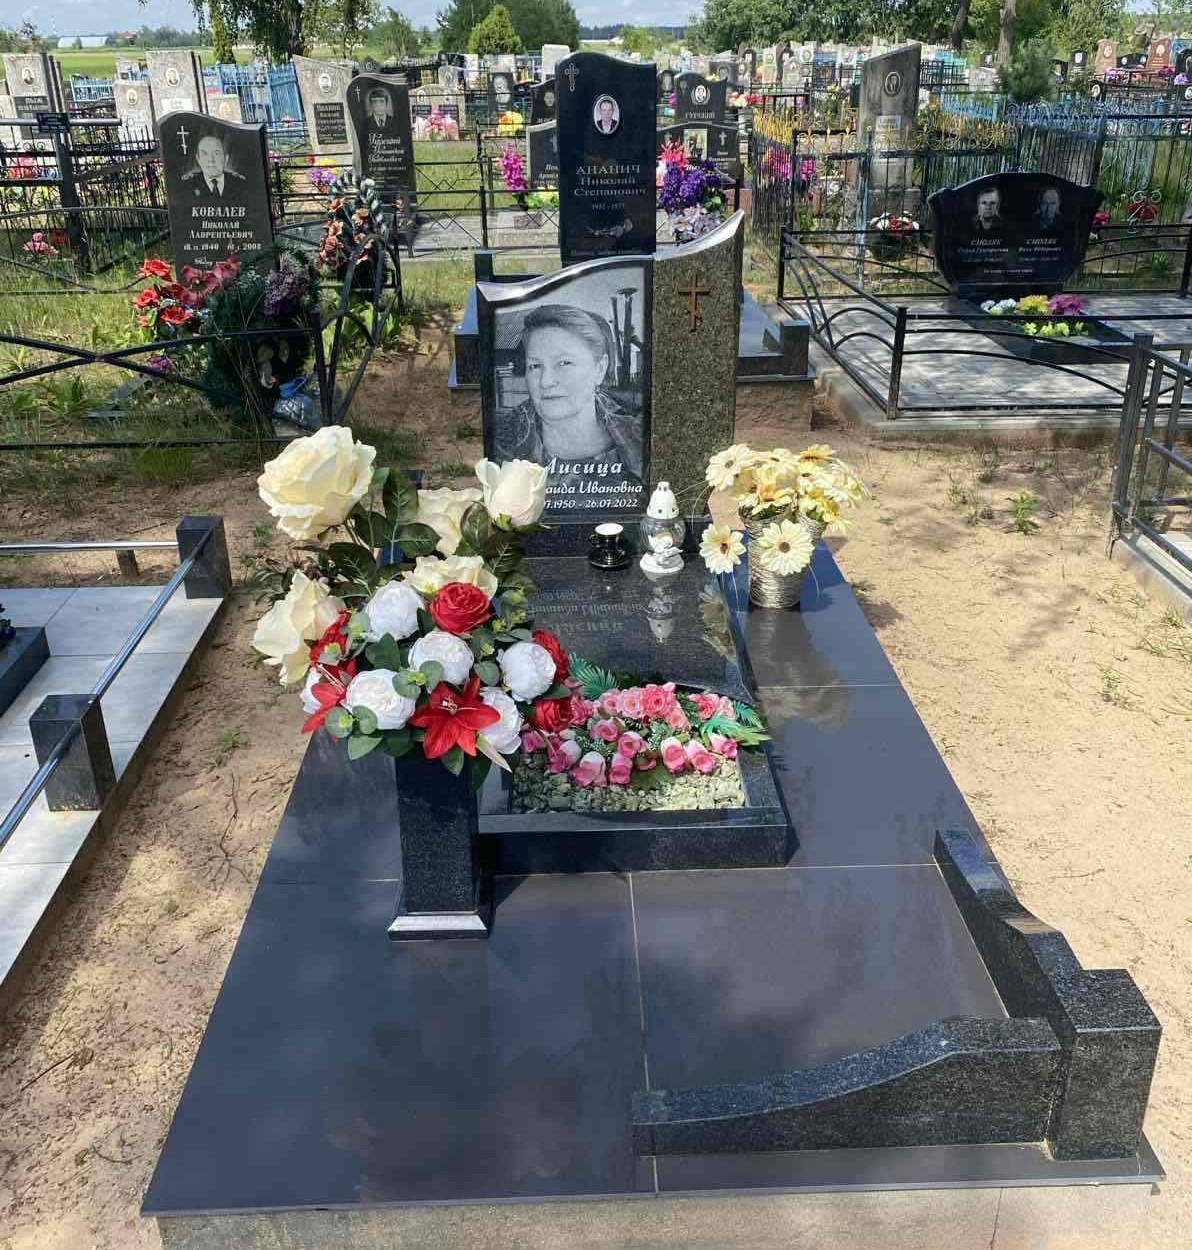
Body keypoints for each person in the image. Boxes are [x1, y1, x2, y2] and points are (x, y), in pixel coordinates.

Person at [495, 304, 643, 491]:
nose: (546, 382)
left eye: (564, 363)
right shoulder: (503, 440)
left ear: (599, 369)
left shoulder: (640, 434)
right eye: (535, 366)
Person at [187, 134, 245, 201]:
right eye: (205, 154)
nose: (211, 160)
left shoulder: (241, 184)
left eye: (216, 154)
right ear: (198, 159)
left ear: (226, 159)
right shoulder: (187, 185)